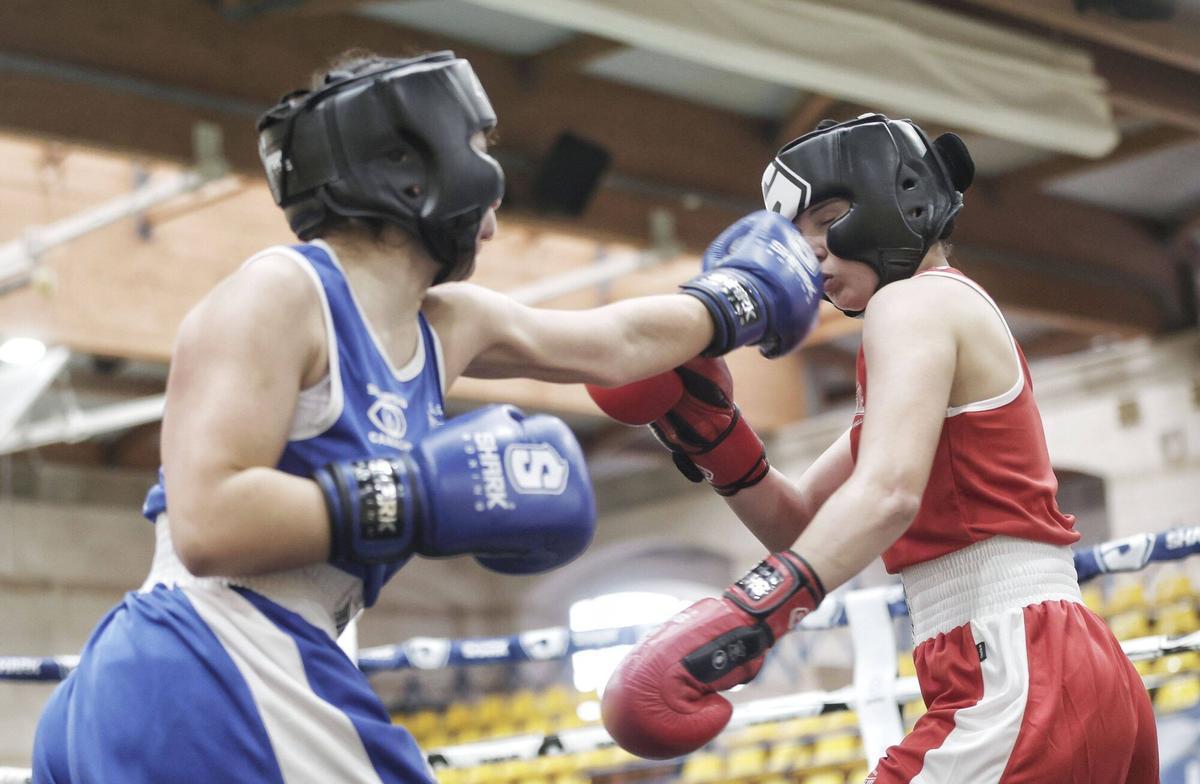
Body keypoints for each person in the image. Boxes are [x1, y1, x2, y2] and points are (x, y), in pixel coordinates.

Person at [31, 50, 824, 783]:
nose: (493, 177)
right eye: (478, 141)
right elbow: (207, 524)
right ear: (413, 163)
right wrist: (421, 494)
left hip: (241, 661)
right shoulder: (278, 294)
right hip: (211, 651)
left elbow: (614, 345)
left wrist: (739, 299)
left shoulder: (446, 323)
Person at [592, 114, 1159, 782]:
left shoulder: (912, 304)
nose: (812, 254)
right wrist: (715, 437)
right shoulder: (936, 325)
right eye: (795, 236)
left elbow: (887, 496)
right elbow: (805, 523)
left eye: (825, 218)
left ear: (899, 199)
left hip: (1014, 669)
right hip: (1061, 661)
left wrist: (754, 615)